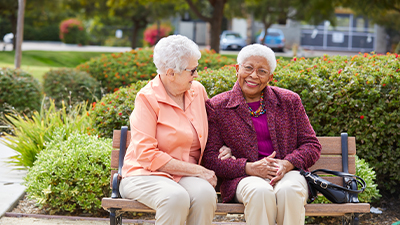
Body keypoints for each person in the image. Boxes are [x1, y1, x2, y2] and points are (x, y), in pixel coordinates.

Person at [202, 44, 322, 225]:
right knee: (260, 192)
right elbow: (210, 158)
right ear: (237, 69)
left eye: (262, 71)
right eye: (248, 68)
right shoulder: (218, 106)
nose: (253, 76)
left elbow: (311, 145)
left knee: (289, 191)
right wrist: (248, 167)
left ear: (270, 77)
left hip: (287, 173)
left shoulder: (289, 101)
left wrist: (287, 163)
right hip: (243, 178)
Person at [119, 35, 232, 225]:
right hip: (145, 173)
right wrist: (198, 170)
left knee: (205, 195)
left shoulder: (198, 91)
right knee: (175, 197)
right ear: (171, 73)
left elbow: (212, 130)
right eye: (192, 70)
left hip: (185, 175)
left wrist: (224, 147)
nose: (196, 75)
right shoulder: (147, 99)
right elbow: (147, 155)